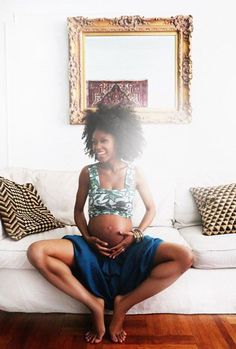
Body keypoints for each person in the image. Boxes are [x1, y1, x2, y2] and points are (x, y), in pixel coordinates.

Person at [27, 104, 194, 344]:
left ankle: (123, 305)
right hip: (91, 248)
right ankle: (93, 305)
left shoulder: (135, 173)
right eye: (94, 142)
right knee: (37, 252)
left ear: (119, 140)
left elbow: (151, 209)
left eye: (103, 141)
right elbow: (77, 212)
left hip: (130, 247)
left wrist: (136, 235)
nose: (97, 147)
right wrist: (87, 238)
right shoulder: (88, 172)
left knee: (184, 256)